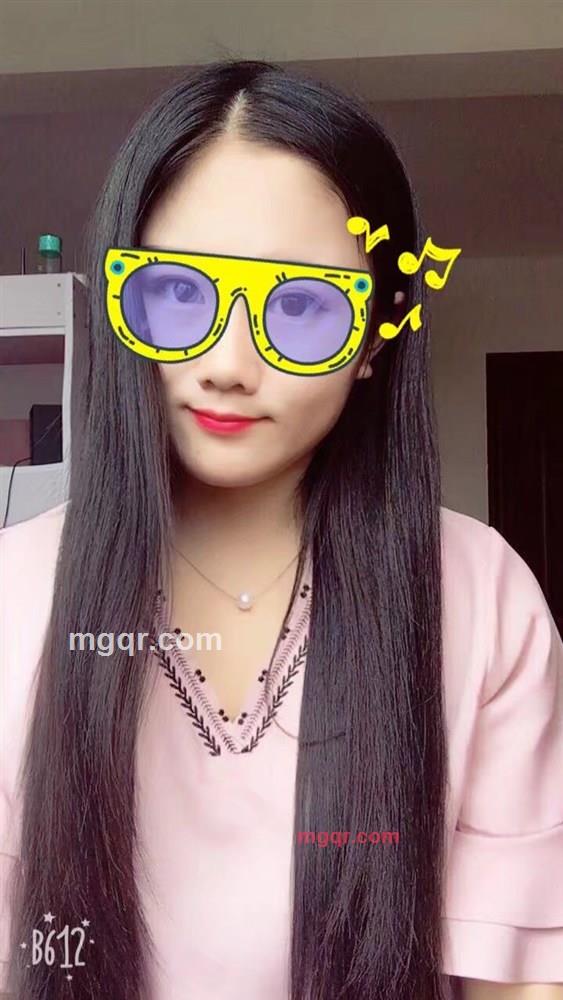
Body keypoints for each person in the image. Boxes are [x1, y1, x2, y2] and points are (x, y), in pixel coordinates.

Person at [0, 59, 562, 1000]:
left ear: (376, 336)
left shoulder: (481, 599)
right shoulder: (14, 595)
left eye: (300, 305)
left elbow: (517, 980)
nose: (227, 363)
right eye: (179, 290)